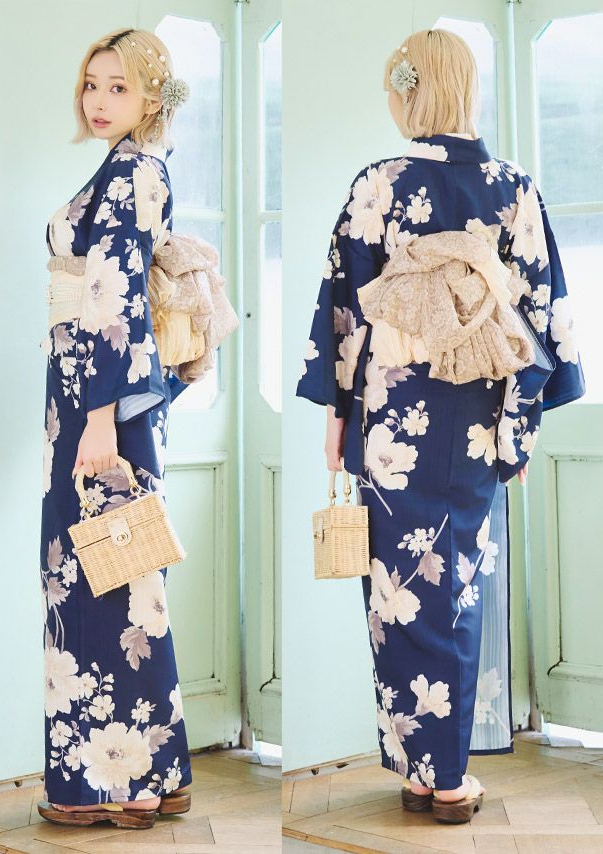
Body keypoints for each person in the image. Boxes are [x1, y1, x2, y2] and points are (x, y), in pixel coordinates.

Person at [296, 28, 585, 824]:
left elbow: (345, 311)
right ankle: (437, 774)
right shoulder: (513, 188)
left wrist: (339, 416)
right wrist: (519, 425)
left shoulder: (377, 183)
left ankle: (436, 774)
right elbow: (539, 313)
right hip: (478, 416)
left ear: (407, 92)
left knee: (395, 591)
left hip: (393, 414)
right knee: (455, 585)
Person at [37, 27, 193, 830]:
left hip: (99, 405)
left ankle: (116, 784)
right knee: (119, 575)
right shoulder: (126, 167)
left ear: (152, 97)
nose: (98, 100)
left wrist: (98, 419)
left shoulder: (134, 172)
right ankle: (152, 775)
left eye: (119, 87)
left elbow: (117, 293)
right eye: (92, 84)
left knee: (102, 576)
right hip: (88, 395)